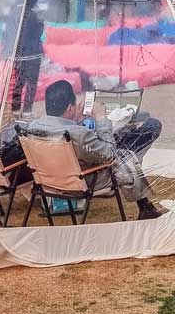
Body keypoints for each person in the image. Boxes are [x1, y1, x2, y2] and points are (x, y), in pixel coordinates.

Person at [24, 80, 162, 219]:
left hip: (51, 180)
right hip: (87, 179)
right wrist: (100, 118)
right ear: (70, 108)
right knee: (142, 136)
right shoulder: (78, 134)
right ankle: (145, 205)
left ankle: (146, 206)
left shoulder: (33, 128)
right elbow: (110, 155)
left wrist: (76, 120)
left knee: (127, 144)